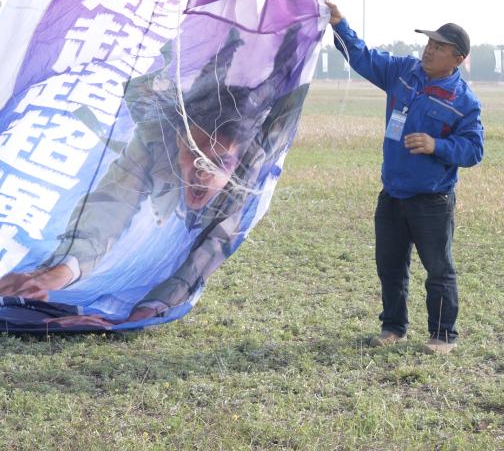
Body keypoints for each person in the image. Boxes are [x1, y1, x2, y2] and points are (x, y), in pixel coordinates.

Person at [0, 26, 304, 325]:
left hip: (259, 123)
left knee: (283, 76)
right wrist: (60, 273)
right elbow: (112, 204)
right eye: (195, 154)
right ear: (179, 141)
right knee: (211, 66)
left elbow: (213, 244)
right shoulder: (156, 141)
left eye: (217, 162)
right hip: (180, 106)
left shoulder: (247, 167)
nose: (202, 172)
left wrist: (153, 306)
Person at [327, 2, 483, 354]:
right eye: (429, 43)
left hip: (432, 200)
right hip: (392, 193)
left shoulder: (464, 101)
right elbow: (363, 57)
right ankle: (393, 327)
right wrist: (339, 23)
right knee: (390, 266)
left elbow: (473, 150)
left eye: (439, 47)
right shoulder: (402, 72)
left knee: (438, 269)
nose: (429, 49)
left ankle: (443, 336)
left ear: (457, 58)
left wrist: (436, 145)